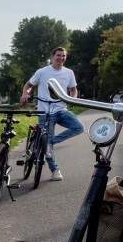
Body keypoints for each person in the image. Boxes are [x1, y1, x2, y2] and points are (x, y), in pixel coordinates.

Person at [20, 47, 84, 181]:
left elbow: (73, 89)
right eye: (58, 55)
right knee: (46, 144)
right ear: (52, 57)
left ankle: (50, 142)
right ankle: (55, 170)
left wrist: (73, 98)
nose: (61, 58)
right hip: (45, 112)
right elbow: (28, 85)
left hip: (61, 109)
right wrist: (25, 94)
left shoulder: (69, 72)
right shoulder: (42, 72)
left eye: (63, 56)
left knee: (79, 127)